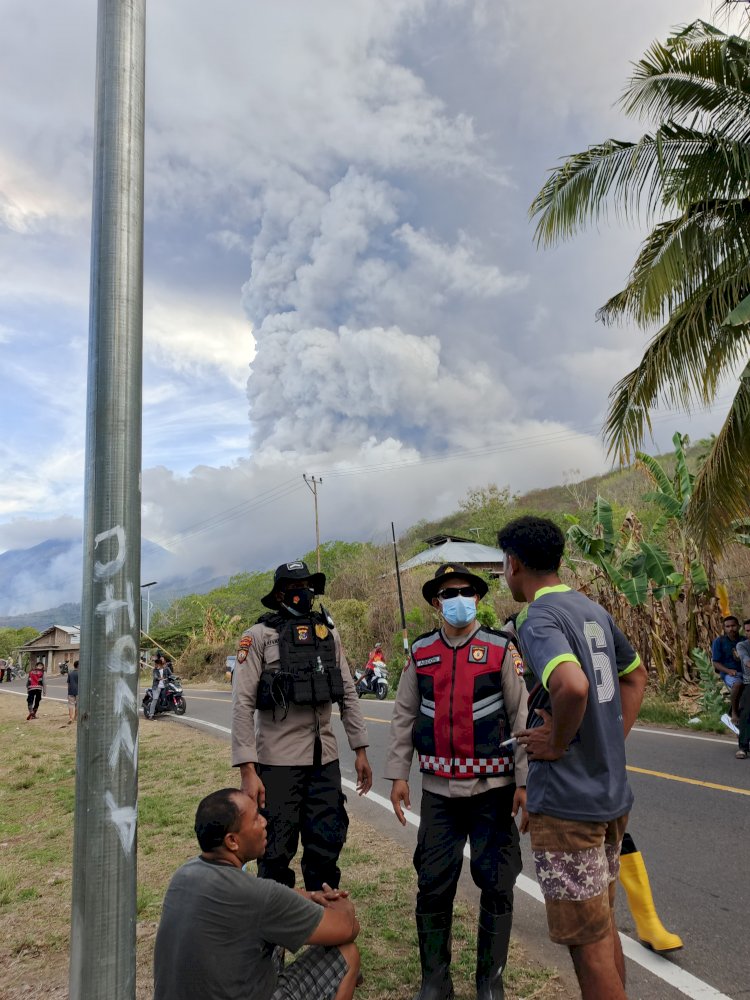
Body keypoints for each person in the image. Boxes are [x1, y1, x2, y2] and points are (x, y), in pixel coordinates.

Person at [498, 516, 647, 1000]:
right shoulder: (592, 608)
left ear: (514, 563)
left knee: (586, 943)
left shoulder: (537, 619)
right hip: (609, 799)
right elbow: (635, 676)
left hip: (568, 805)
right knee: (601, 928)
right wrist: (609, 739)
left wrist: (560, 744)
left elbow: (572, 685)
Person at [385, 563, 528, 1000]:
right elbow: (403, 716)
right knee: (433, 883)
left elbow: (522, 715)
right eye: (449, 593)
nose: (459, 599)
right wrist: (397, 775)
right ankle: (435, 981)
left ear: (479, 599)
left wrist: (524, 782)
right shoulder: (421, 654)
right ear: (436, 602)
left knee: (497, 881)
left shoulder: (501, 649)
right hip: (439, 794)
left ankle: (490, 982)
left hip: (494, 792)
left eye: (467, 591)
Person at [232, 560, 373, 891]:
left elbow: (348, 695)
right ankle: (274, 938)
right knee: (275, 851)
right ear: (280, 593)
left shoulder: (328, 635)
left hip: (325, 761)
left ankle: (323, 934)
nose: (304, 594)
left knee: (326, 844)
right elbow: (242, 705)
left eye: (308, 586)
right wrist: (247, 771)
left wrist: (361, 749)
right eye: (296, 588)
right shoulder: (257, 637)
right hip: (277, 764)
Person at [154, 788, 361, 1000]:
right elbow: (346, 929)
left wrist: (311, 896)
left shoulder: (183, 875)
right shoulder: (257, 896)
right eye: (255, 819)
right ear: (232, 841)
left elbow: (274, 899)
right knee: (348, 954)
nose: (264, 822)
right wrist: (343, 904)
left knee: (274, 937)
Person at [711, 615, 743, 720]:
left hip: (745, 672)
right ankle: (734, 712)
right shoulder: (719, 642)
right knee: (737, 684)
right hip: (730, 673)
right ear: (724, 628)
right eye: (727, 626)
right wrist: (728, 671)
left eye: (733, 626)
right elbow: (715, 662)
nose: (731, 629)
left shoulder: (744, 640)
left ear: (738, 626)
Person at [734, 620, 750, 759]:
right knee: (746, 711)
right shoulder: (742, 645)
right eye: (748, 631)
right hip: (749, 682)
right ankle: (743, 747)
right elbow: (746, 661)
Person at [148, 654, 173, 719]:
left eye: (158, 664)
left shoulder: (166, 668)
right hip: (157, 687)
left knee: (170, 695)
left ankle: (167, 708)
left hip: (165, 686)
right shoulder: (155, 670)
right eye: (156, 664)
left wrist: (176, 678)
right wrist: (160, 678)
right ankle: (151, 714)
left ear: (161, 664)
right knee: (155, 699)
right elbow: (155, 677)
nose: (156, 665)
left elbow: (171, 675)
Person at [67, 659, 79, 724]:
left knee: (70, 705)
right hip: (78, 692)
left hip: (71, 691)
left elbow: (68, 683)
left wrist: (68, 691)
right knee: (77, 705)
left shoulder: (70, 673)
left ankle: (70, 718)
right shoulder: (81, 674)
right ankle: (76, 717)